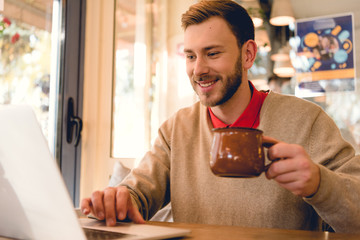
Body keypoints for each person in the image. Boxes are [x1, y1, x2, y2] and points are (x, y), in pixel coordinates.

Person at [81, 0, 360, 233]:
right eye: (190, 56)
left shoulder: (307, 121)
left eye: (212, 53)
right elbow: (137, 193)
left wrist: (319, 183)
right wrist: (118, 198)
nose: (198, 69)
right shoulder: (176, 130)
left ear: (248, 54)